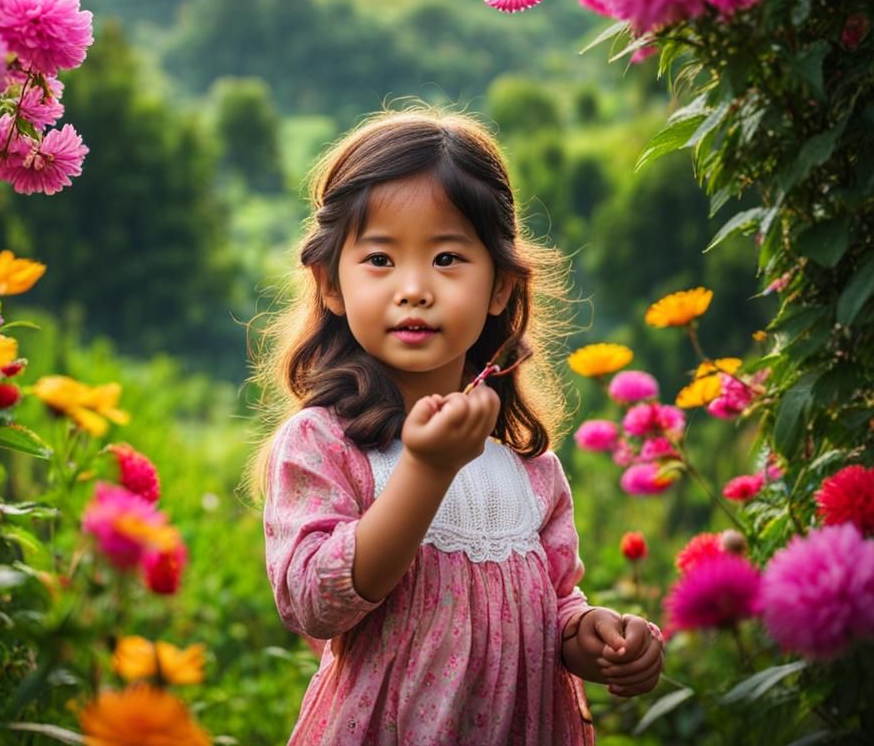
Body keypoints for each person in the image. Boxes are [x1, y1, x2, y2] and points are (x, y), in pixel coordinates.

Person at [255, 108, 664, 745]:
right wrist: (426, 471)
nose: (414, 288)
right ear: (330, 283)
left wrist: (595, 637)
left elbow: (554, 607)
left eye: (447, 257)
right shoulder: (325, 445)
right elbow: (314, 604)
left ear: (500, 287)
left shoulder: (530, 471)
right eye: (380, 259)